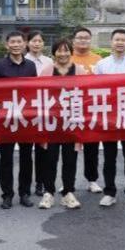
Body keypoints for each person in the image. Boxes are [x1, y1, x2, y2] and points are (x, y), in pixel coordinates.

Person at [94, 29, 125, 207]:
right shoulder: (102, 64)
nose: (120, 43)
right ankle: (110, 192)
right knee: (109, 157)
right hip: (108, 116)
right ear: (111, 42)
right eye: (117, 39)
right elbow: (95, 90)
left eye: (123, 40)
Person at [37, 39, 85, 209]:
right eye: (59, 50)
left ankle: (68, 192)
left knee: (70, 159)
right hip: (52, 123)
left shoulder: (79, 71)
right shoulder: (46, 71)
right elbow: (38, 95)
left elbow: (87, 95)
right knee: (50, 159)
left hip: (72, 122)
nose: (63, 54)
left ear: (71, 52)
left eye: (66, 50)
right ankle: (48, 192)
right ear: (53, 53)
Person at [0, 30, 38, 208]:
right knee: (6, 158)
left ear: (24, 44)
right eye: (12, 42)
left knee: (26, 158)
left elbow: (34, 91)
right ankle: (7, 195)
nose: (16, 45)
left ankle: (24, 193)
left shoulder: (31, 66)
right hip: (6, 119)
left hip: (26, 118)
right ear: (7, 45)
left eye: (19, 42)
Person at [70, 27, 104, 194]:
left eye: (86, 38)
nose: (83, 40)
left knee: (92, 147)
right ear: (73, 40)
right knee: (70, 148)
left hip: (92, 109)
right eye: (79, 37)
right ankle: (68, 180)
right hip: (71, 109)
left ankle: (92, 180)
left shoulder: (98, 60)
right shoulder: (66, 58)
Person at [24, 30, 53, 197]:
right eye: (33, 41)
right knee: (27, 150)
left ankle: (41, 183)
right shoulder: (22, 61)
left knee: (43, 150)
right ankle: (25, 186)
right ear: (27, 43)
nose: (36, 44)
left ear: (43, 44)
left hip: (45, 111)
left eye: (39, 41)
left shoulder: (49, 62)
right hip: (26, 110)